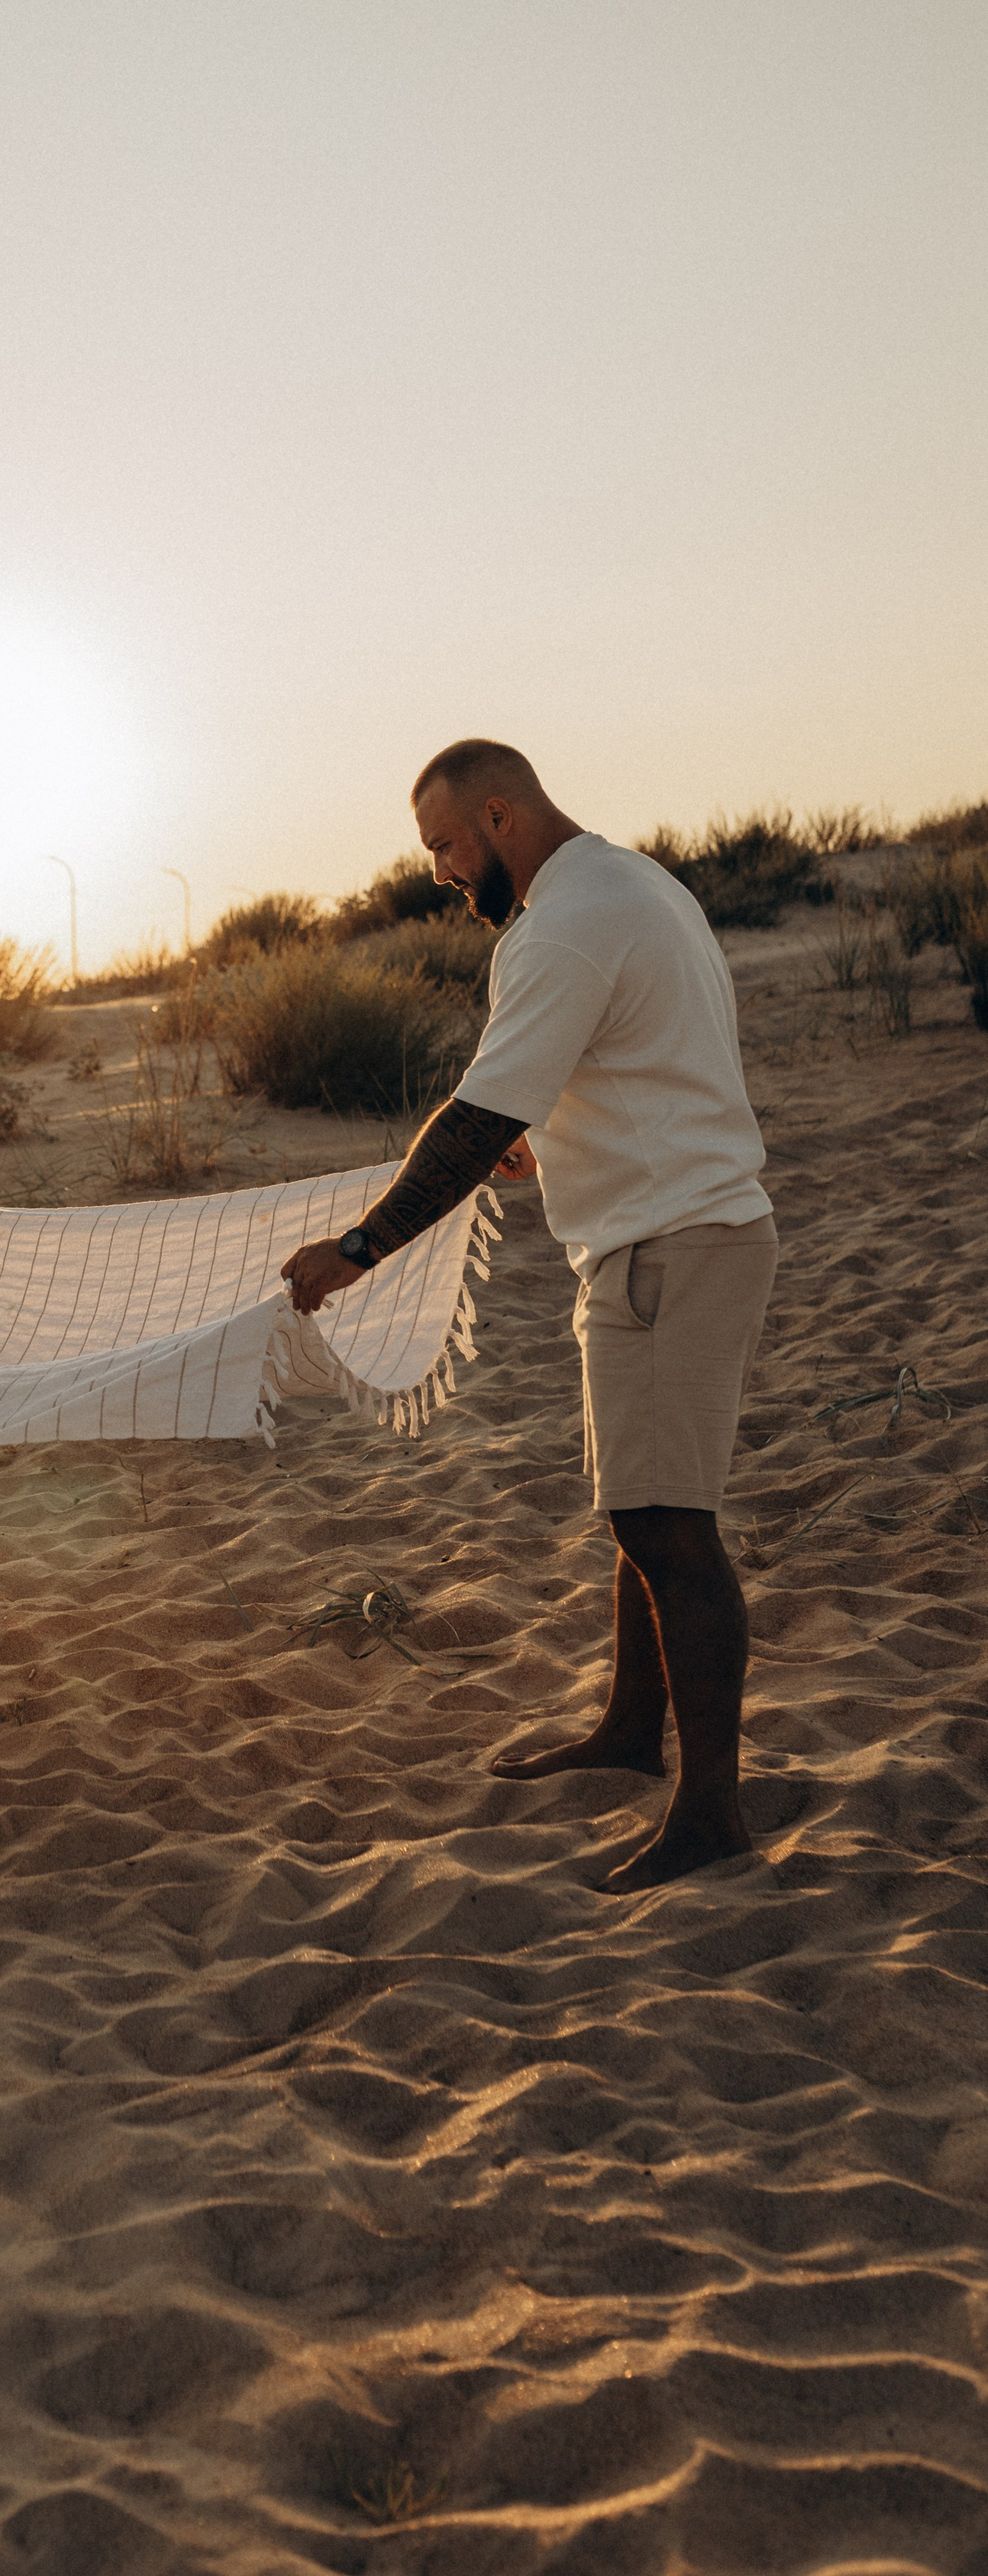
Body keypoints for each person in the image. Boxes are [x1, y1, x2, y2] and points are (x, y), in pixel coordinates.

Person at [281, 740, 778, 1891]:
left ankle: (711, 1815)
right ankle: (626, 1734)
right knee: (638, 1511)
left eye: (447, 847)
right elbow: (640, 1062)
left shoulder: (559, 925)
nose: (444, 875)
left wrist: (360, 1248)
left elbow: (465, 1119)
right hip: (665, 1230)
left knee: (668, 1525)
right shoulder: (633, 881)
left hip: (675, 1244)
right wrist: (550, 1146)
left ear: (499, 816)